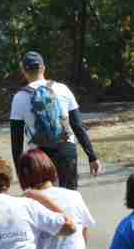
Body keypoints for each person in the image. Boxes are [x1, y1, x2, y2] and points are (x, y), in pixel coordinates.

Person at [9, 51, 101, 190]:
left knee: (45, 200)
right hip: (66, 150)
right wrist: (92, 157)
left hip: (39, 157)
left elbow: (16, 140)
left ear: (24, 71)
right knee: (69, 197)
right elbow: (77, 126)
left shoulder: (19, 98)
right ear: (43, 68)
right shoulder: (62, 89)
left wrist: (20, 172)